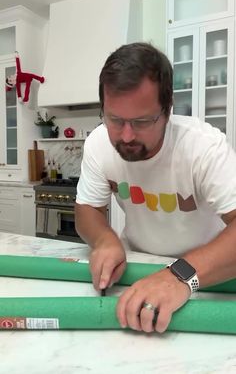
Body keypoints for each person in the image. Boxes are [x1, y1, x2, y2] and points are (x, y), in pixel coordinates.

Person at [75, 42, 236, 334]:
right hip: (139, 268)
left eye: (142, 121)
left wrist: (180, 275)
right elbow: (88, 208)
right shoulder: (98, 144)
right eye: (114, 119)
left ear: (168, 108)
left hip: (211, 271)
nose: (126, 135)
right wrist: (104, 240)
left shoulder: (203, 147)